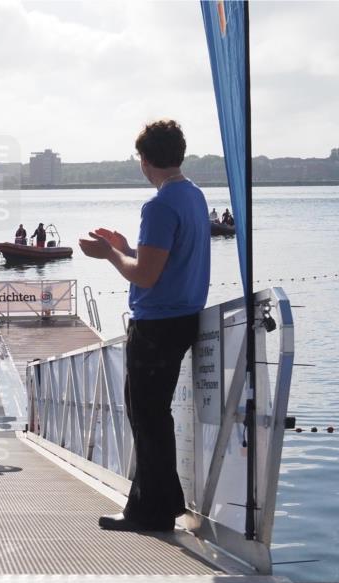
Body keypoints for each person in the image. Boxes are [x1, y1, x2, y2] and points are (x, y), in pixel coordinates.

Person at [77, 119, 210, 532]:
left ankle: (148, 512)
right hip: (185, 316)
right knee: (155, 416)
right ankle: (166, 501)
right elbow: (163, 260)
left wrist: (109, 255)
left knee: (146, 417)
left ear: (145, 159)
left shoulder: (159, 205)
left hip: (156, 324)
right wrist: (126, 247)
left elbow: (145, 276)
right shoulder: (195, 196)